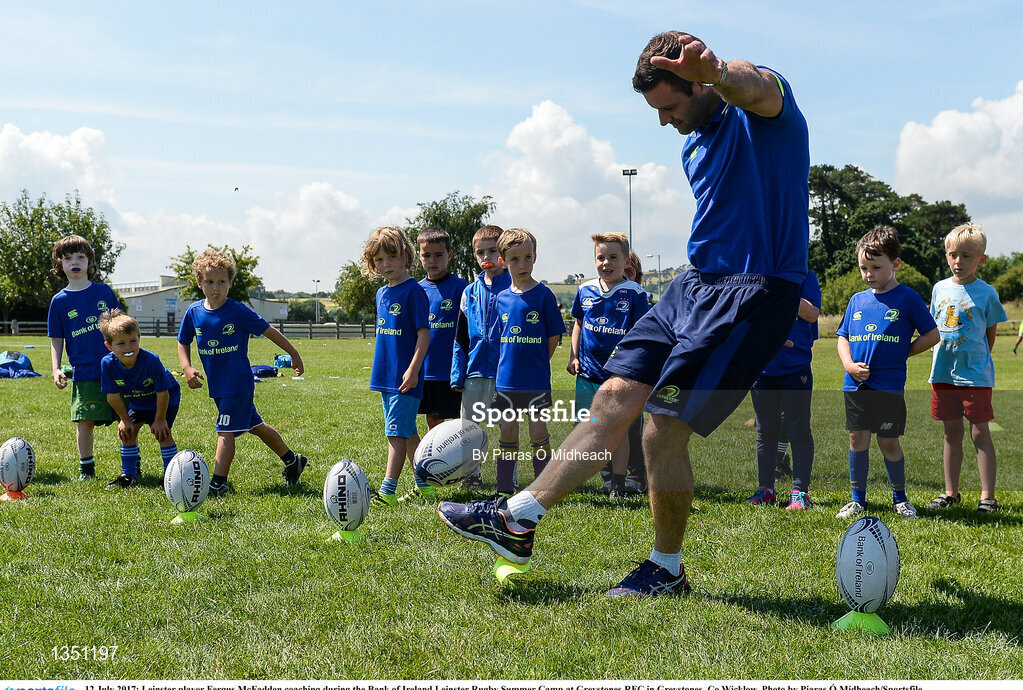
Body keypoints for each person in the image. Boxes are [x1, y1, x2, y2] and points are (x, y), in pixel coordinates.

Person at [438, 31, 808, 597]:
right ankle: (518, 520)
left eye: (670, 106)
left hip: (754, 293)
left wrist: (720, 74)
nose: (664, 122)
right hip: (692, 286)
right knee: (613, 395)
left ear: (702, 84)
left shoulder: (765, 119)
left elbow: (757, 89)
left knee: (662, 427)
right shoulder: (694, 144)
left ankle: (666, 569)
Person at [177, 249, 308, 495]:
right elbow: (183, 341)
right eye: (209, 281)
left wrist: (294, 353)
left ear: (231, 283)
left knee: (225, 431)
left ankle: (218, 483)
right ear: (199, 282)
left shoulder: (238, 311)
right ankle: (292, 460)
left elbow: (269, 331)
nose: (216, 287)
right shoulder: (194, 312)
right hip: (218, 386)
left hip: (237, 384)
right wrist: (187, 367)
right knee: (254, 425)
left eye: (222, 282)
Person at [835, 226, 939, 519]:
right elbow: (842, 336)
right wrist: (849, 366)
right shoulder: (857, 300)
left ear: (895, 264)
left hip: (889, 386)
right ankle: (858, 500)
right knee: (857, 439)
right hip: (855, 386)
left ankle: (900, 499)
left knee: (888, 441)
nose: (869, 274)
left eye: (876, 267)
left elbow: (932, 335)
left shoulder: (907, 298)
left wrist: (901, 352)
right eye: (863, 268)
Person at [925, 224, 1007, 514]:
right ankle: (951, 492)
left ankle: (988, 497)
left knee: (979, 432)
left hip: (975, 376)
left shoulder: (987, 293)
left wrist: (977, 361)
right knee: (951, 432)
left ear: (981, 259)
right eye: (953, 255)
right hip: (943, 373)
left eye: (967, 256)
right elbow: (933, 328)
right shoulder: (939, 289)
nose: (958, 261)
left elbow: (990, 334)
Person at [568, 233, 650, 498]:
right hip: (587, 374)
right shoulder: (585, 290)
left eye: (613, 257)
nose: (606, 263)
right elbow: (578, 324)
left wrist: (631, 366)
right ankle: (583, 475)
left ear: (626, 261)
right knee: (587, 426)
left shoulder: (635, 293)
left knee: (619, 429)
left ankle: (619, 481)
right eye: (600, 257)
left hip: (618, 377)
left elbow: (641, 332)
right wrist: (573, 356)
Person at [488, 228, 565, 496]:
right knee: (507, 433)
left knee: (538, 432)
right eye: (514, 259)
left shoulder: (544, 295)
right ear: (503, 262)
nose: (522, 265)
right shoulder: (501, 298)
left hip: (535, 380)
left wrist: (540, 361)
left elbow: (553, 336)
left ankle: (542, 486)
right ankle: (504, 487)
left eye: (528, 258)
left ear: (535, 257)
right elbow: (499, 339)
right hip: (507, 382)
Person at [362, 227, 432, 505]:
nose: (386, 264)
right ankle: (425, 486)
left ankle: (387, 492)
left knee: (395, 432)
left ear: (405, 256)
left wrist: (413, 369)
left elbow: (423, 335)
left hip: (406, 378)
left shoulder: (414, 292)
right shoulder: (381, 294)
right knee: (407, 431)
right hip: (385, 377)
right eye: (379, 260)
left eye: (391, 257)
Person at [47, 235, 120, 481]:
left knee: (128, 418)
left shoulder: (104, 292)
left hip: (115, 369)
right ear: (60, 264)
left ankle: (131, 466)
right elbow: (57, 339)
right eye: (68, 258)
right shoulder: (59, 302)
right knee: (84, 421)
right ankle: (86, 470)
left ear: (89, 261)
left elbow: (121, 326)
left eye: (80, 257)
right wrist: (56, 368)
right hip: (85, 373)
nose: (75, 262)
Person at [747, 270, 820, 510]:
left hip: (794, 367)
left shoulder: (804, 276)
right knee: (765, 430)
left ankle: (800, 491)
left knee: (798, 429)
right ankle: (765, 488)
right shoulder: (755, 275)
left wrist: (780, 288)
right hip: (761, 369)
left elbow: (811, 313)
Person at [451, 225, 512, 490]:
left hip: (505, 375)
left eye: (493, 251)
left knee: (508, 429)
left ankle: (507, 476)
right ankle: (471, 475)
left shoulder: (515, 289)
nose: (486, 256)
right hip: (474, 374)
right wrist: (457, 373)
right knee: (469, 430)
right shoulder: (469, 293)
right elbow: (460, 338)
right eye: (480, 252)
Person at [98, 309, 181, 489]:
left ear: (139, 339)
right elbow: (113, 396)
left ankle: (171, 477)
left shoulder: (151, 360)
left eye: (133, 341)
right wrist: (124, 420)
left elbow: (163, 392)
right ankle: (129, 475)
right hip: (138, 401)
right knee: (127, 432)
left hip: (165, 399)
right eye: (121, 343)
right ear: (109, 346)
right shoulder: (107, 364)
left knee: (162, 434)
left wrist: (159, 420)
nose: (128, 347)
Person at [417, 228, 468, 432]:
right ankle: (437, 461)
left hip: (451, 370)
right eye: (426, 255)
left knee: (458, 421)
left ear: (450, 254)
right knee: (433, 420)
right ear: (419, 256)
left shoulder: (462, 288)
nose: (432, 261)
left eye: (439, 255)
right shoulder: (416, 289)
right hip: (425, 371)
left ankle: (460, 460)